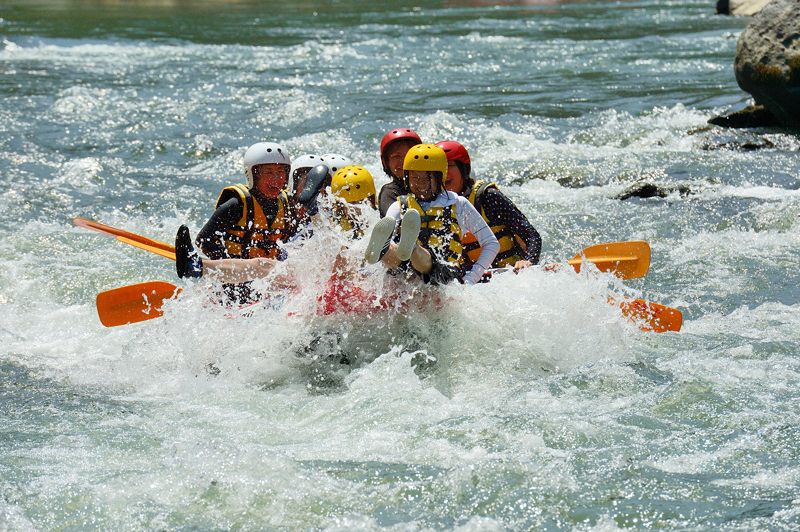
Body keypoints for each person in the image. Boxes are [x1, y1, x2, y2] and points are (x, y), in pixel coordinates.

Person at [176, 165, 377, 283]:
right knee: (266, 266)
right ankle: (196, 266)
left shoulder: (362, 222)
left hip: (342, 278)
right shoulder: (292, 217)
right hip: (307, 277)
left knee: (343, 253)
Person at [191, 142, 325, 301]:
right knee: (260, 267)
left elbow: (292, 240)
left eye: (281, 172)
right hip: (232, 281)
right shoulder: (237, 204)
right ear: (252, 174)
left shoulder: (286, 204)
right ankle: (196, 267)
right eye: (269, 172)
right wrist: (230, 265)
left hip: (266, 282)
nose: (277, 179)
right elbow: (204, 240)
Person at [365, 144, 499, 286]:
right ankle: (383, 248)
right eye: (415, 178)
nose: (420, 183)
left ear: (439, 177)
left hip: (444, 274)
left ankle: (411, 247)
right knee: (393, 252)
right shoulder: (399, 206)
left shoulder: (457, 203)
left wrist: (471, 278)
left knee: (420, 257)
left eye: (426, 178)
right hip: (406, 273)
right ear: (406, 178)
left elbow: (491, 243)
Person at [435, 140, 542, 271]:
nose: (444, 173)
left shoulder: (487, 197)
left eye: (449, 165)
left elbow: (532, 235)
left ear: (464, 169)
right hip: (473, 279)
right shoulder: (435, 208)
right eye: (439, 168)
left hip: (508, 273)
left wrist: (528, 261)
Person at [377, 128, 422, 217]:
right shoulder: (389, 192)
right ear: (386, 162)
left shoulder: (432, 186)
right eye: (396, 156)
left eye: (409, 155)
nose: (404, 161)